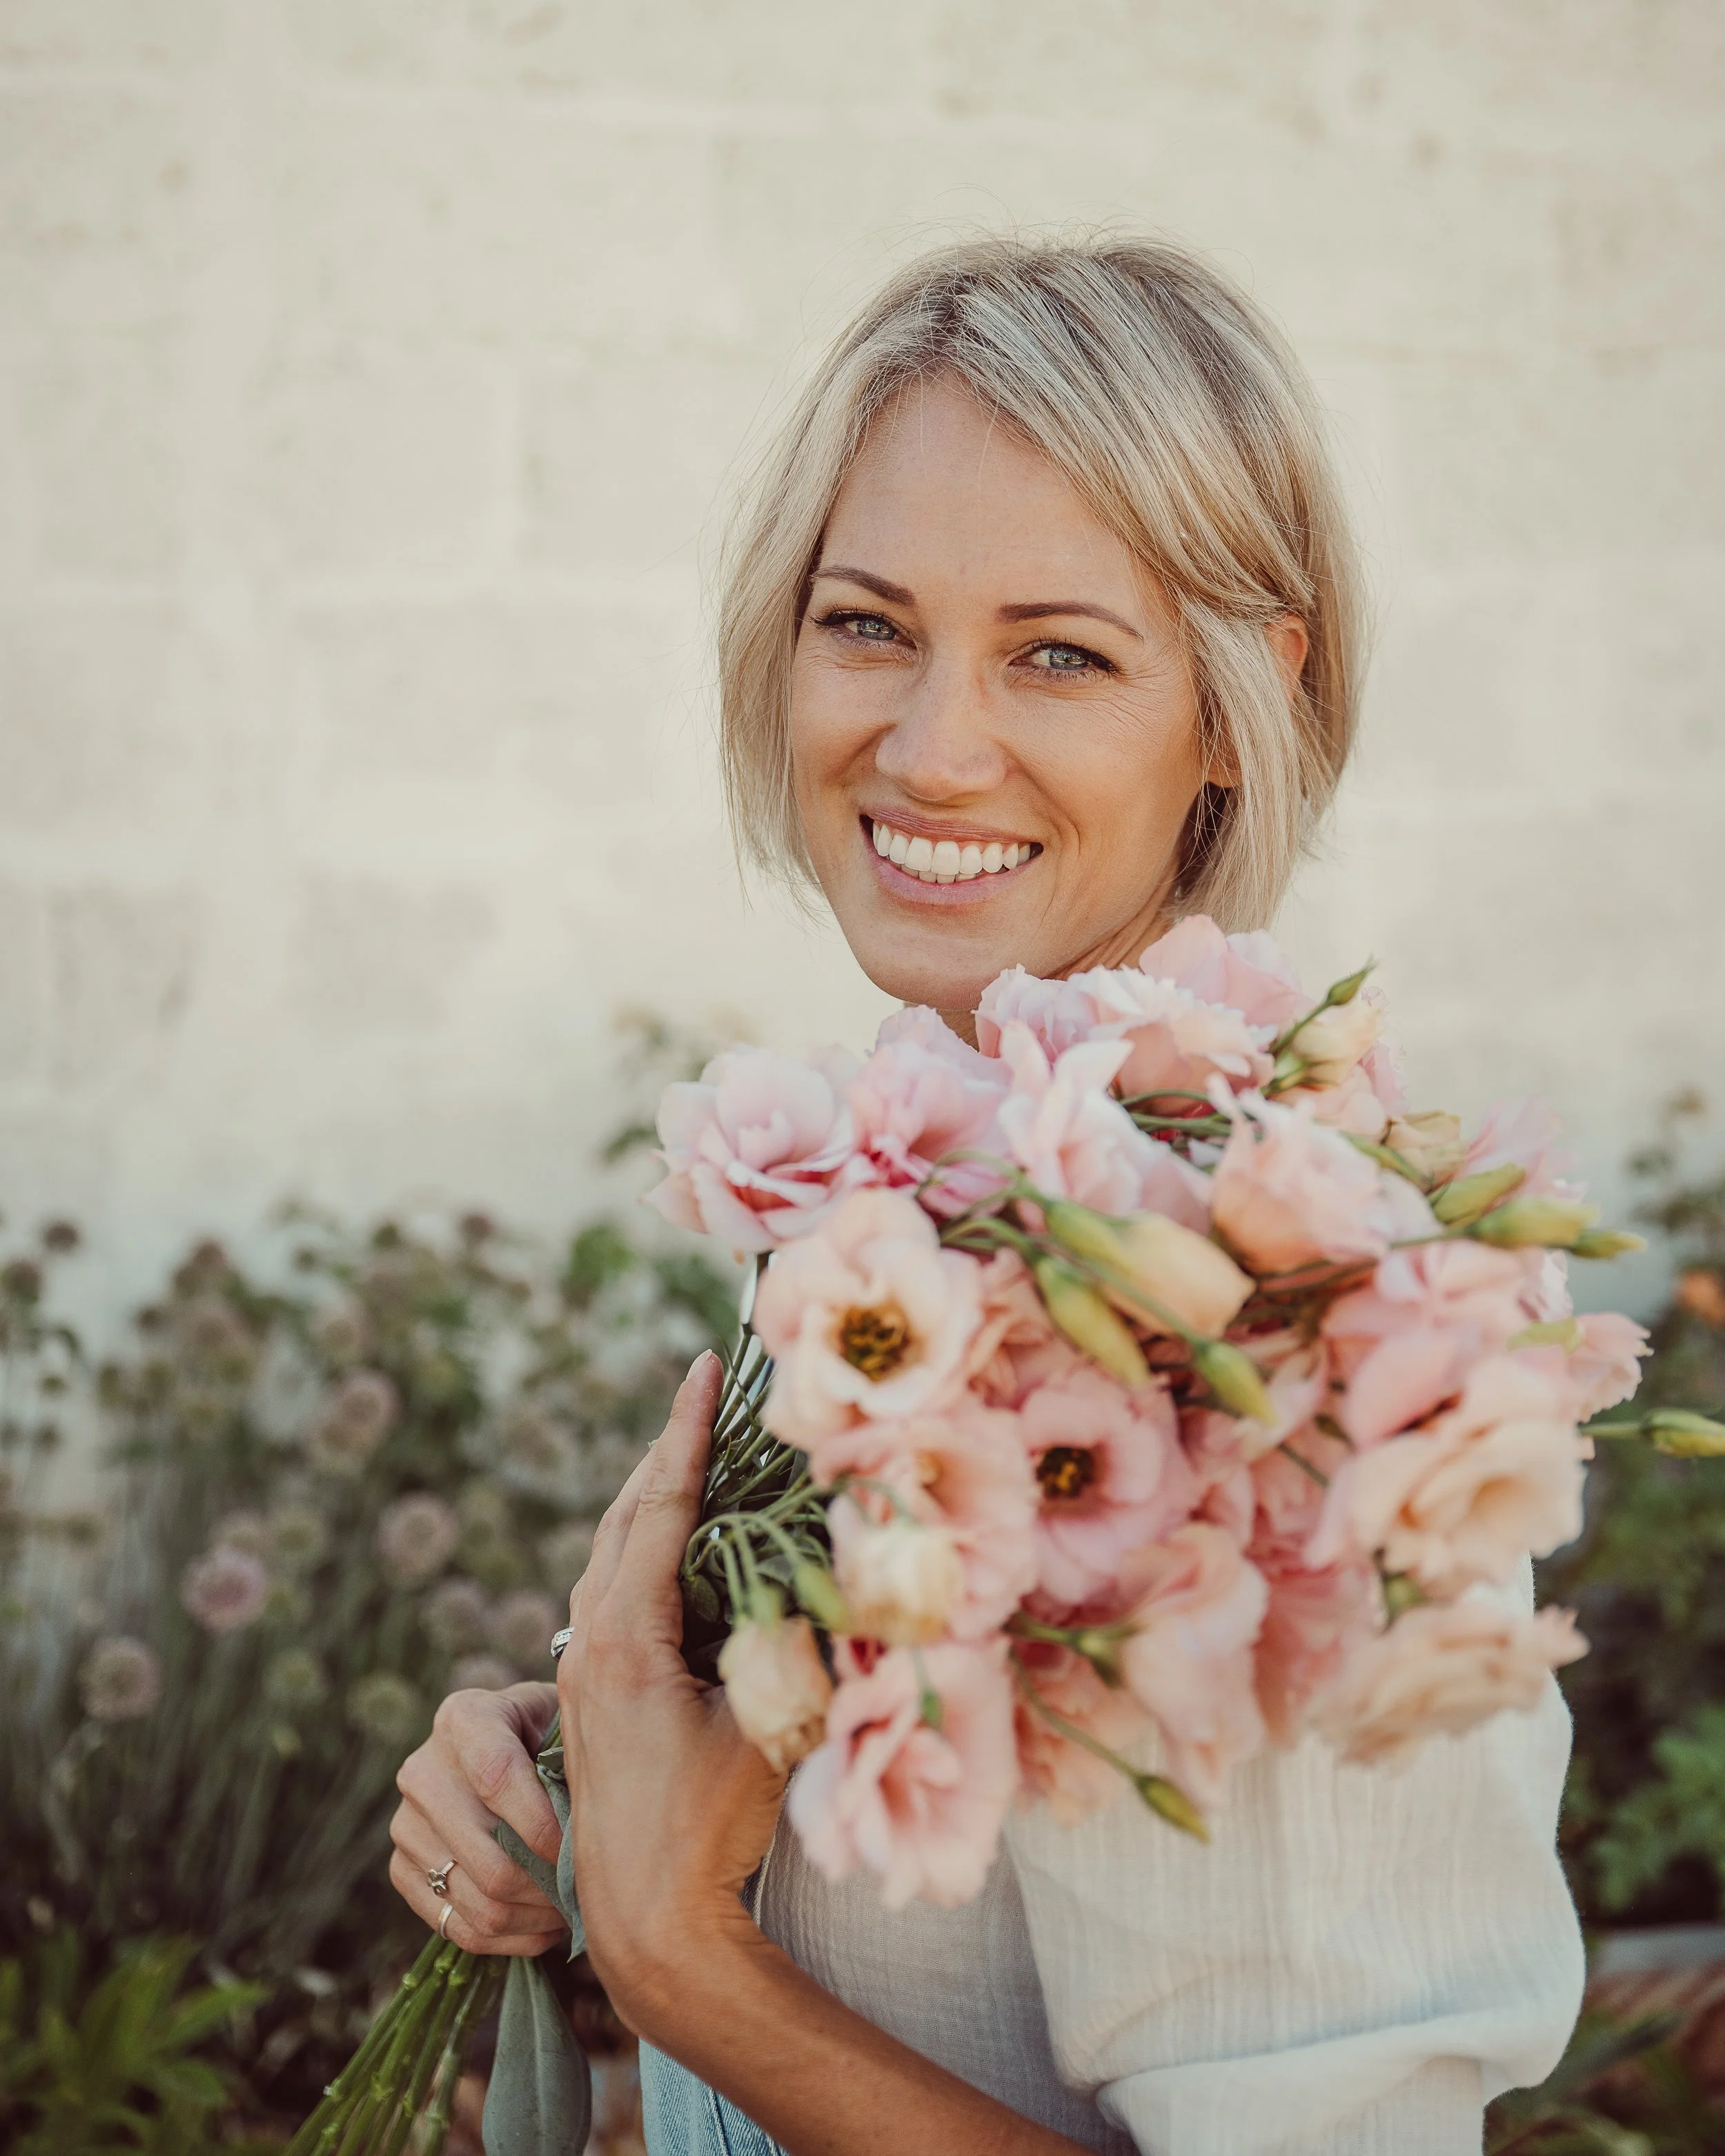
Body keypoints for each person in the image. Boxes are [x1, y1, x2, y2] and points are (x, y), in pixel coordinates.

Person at [387, 236, 1584, 2155]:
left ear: (1235, 695)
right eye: (867, 623)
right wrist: (594, 1747)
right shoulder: (954, 1166)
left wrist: (687, 1957)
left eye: (1060, 651)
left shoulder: (1292, 1346)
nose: (931, 746)